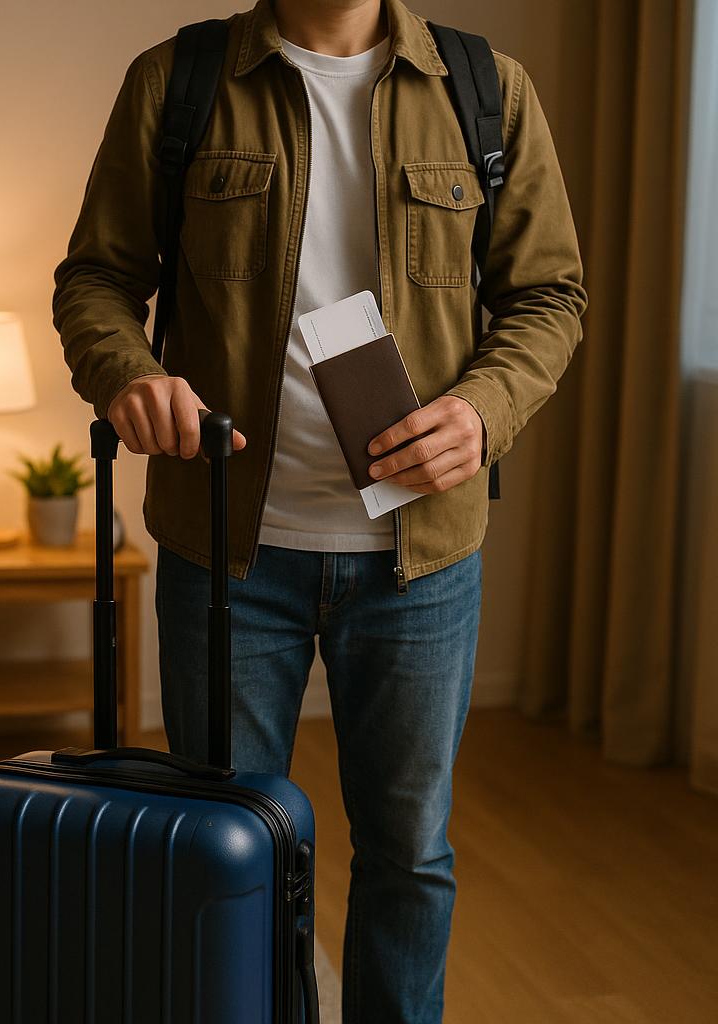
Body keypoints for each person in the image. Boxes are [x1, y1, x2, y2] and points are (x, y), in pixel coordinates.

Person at [53, 0, 587, 1020]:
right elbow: (97, 278)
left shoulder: (487, 91)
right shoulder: (179, 81)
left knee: (410, 856)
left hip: (419, 561)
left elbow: (549, 294)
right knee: (219, 851)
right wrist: (125, 374)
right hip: (225, 556)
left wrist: (484, 408)